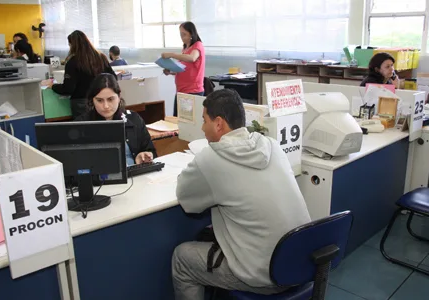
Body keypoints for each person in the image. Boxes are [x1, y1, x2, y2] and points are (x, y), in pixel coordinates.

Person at [172, 89, 311, 300]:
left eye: (204, 121)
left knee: (182, 258)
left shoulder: (211, 159)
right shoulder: (272, 145)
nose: (202, 127)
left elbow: (186, 198)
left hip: (265, 277)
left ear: (218, 123)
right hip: (301, 264)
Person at [75, 73, 156, 165]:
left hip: (134, 176)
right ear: (92, 100)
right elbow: (76, 162)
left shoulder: (133, 119)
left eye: (110, 99)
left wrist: (144, 156)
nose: (105, 106)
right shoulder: (81, 124)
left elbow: (151, 151)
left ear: (119, 97)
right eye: (99, 100)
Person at [41, 30, 115, 119]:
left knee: (84, 131)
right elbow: (112, 77)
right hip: (101, 99)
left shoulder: (72, 62)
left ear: (73, 45)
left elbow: (68, 89)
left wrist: (53, 86)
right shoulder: (101, 57)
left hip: (81, 103)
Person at [161, 21, 205, 117]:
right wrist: (170, 70)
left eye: (184, 34)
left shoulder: (197, 45)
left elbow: (192, 58)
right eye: (180, 34)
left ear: (191, 33)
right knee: (177, 119)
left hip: (193, 91)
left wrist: (172, 55)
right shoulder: (185, 49)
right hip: (181, 90)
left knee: (188, 121)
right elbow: (183, 69)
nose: (182, 37)